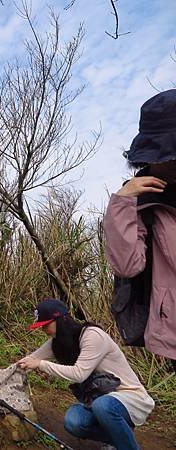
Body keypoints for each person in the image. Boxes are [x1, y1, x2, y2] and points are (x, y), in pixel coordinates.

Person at [17, 299, 154, 450]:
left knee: (103, 407)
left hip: (129, 397)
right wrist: (12, 372)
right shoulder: (58, 342)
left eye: (46, 325)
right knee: (73, 423)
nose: (44, 330)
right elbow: (32, 359)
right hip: (97, 399)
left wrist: (41, 365)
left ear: (60, 319)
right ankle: (118, 438)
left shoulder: (92, 336)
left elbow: (79, 374)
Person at [103, 89, 176, 371]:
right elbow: (127, 266)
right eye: (166, 156)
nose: (172, 163)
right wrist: (122, 202)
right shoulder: (145, 202)